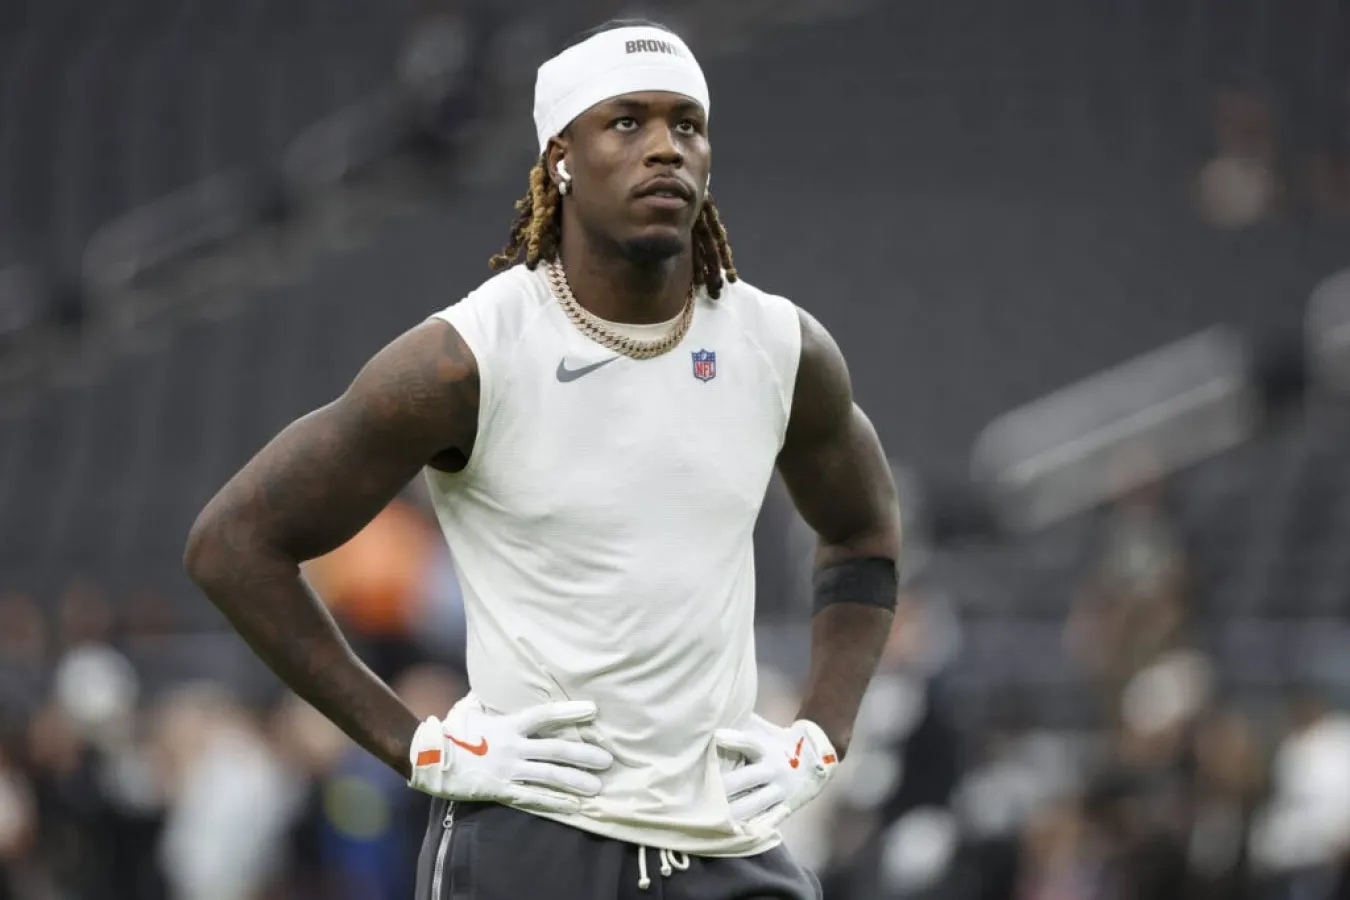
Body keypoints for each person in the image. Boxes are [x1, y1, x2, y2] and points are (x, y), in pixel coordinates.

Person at [184, 17, 901, 900]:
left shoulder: (781, 346)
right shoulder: (464, 360)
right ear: (561, 157)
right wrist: (417, 742)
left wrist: (820, 735)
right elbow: (233, 543)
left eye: (687, 123)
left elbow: (863, 535)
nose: (666, 149)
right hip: (537, 842)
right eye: (627, 123)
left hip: (731, 843)